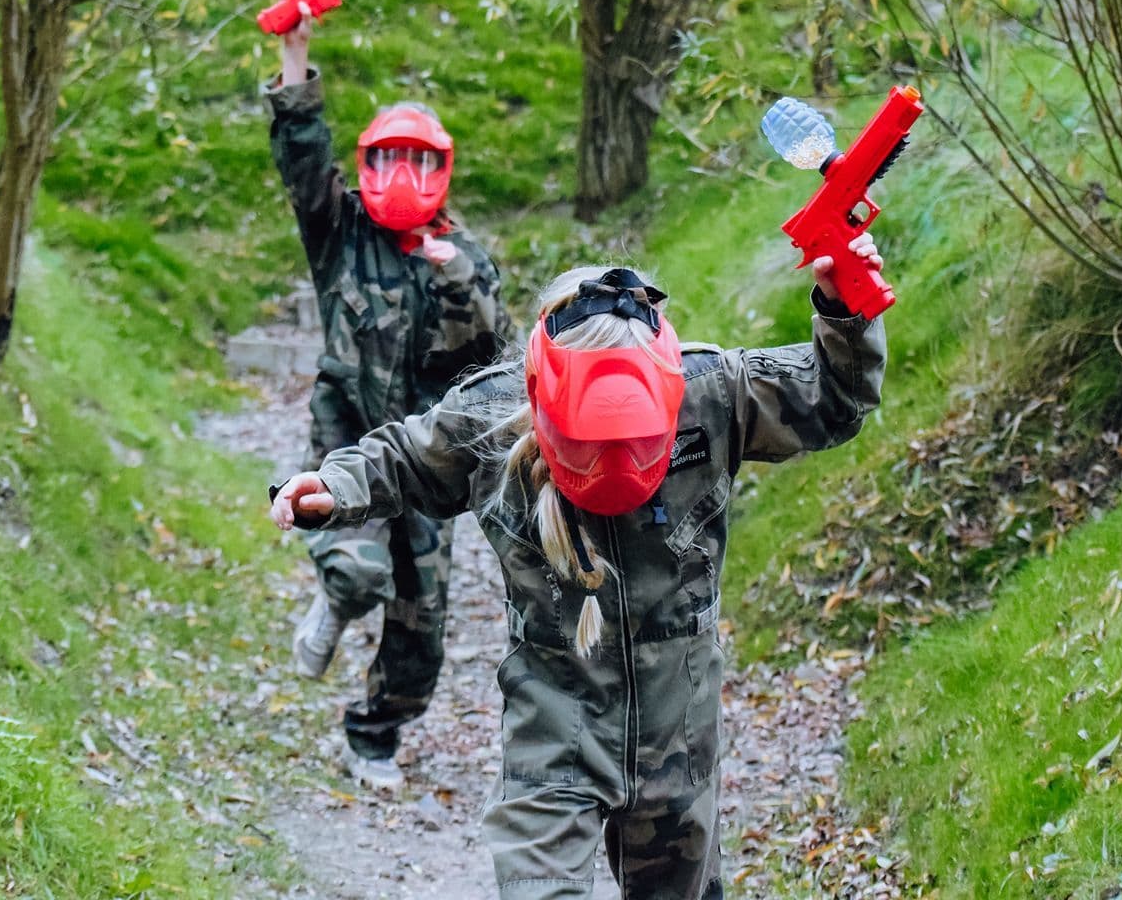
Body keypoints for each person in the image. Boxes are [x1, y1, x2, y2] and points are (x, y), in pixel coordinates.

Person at [269, 239, 887, 897]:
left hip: (678, 725)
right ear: (545, 402)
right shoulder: (494, 410)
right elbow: (404, 457)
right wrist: (337, 485)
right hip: (554, 719)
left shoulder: (714, 392)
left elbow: (833, 397)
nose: (613, 462)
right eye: (591, 445)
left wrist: (845, 308)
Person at [264, 11, 512, 792]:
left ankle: (374, 736)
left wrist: (454, 280)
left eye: (417, 160)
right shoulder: (341, 233)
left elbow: (494, 361)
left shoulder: (464, 259)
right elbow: (303, 154)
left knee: (423, 631)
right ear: (369, 164)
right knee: (358, 573)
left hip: (428, 467)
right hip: (344, 446)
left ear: (441, 170)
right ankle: (335, 605)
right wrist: (293, 51)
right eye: (388, 159)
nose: (401, 174)